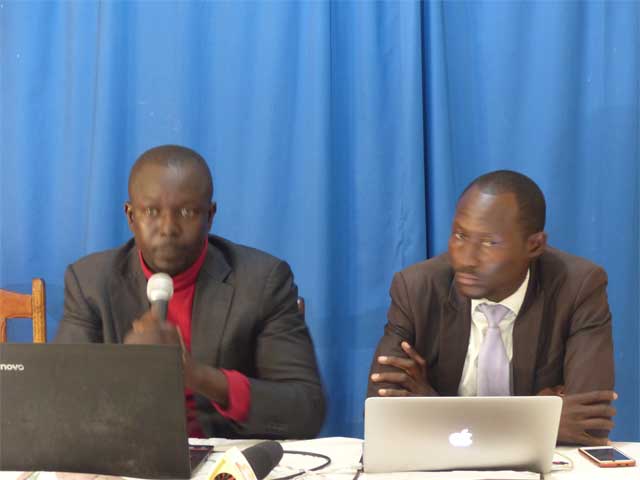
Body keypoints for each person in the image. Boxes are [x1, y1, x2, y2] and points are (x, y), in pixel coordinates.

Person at [55, 145, 325, 439]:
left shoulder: (262, 281)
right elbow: (61, 399)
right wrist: (127, 369)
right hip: (124, 452)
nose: (168, 228)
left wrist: (196, 375)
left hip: (227, 457)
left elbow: (305, 410)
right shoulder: (91, 282)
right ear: (130, 216)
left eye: (186, 211)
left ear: (210, 215)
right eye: (151, 211)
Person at [367, 170, 616, 446]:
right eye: (460, 235)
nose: (466, 259)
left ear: (534, 245)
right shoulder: (417, 288)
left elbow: (588, 427)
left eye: (489, 242)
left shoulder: (578, 288)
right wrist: (536, 420)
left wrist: (433, 407)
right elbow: (383, 418)